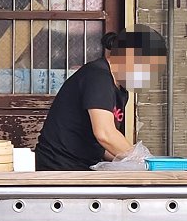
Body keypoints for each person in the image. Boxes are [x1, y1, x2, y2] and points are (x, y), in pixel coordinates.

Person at [34, 25, 167, 172]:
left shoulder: (120, 90)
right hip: (60, 168)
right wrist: (142, 159)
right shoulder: (98, 77)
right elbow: (105, 134)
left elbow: (103, 146)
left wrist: (136, 163)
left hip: (84, 166)